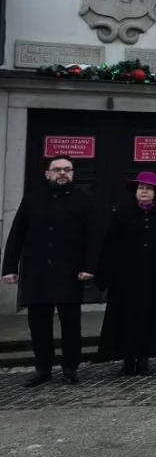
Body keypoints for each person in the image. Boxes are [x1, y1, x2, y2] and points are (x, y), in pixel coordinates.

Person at [1, 155, 101, 387]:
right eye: (57, 169)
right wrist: (9, 268)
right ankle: (43, 368)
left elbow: (93, 238)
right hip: (37, 272)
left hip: (70, 272)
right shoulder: (33, 199)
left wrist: (89, 267)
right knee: (38, 325)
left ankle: (70, 367)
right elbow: (16, 234)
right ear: (47, 173)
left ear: (73, 173)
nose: (62, 173)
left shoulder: (85, 199)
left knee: (71, 325)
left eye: (67, 169)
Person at [96, 172, 156, 376]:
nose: (144, 191)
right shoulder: (121, 214)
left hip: (153, 278)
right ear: (135, 192)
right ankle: (127, 361)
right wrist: (104, 275)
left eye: (148, 189)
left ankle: (143, 360)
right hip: (125, 278)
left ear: (155, 193)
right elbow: (109, 245)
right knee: (126, 319)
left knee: (148, 319)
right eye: (141, 188)